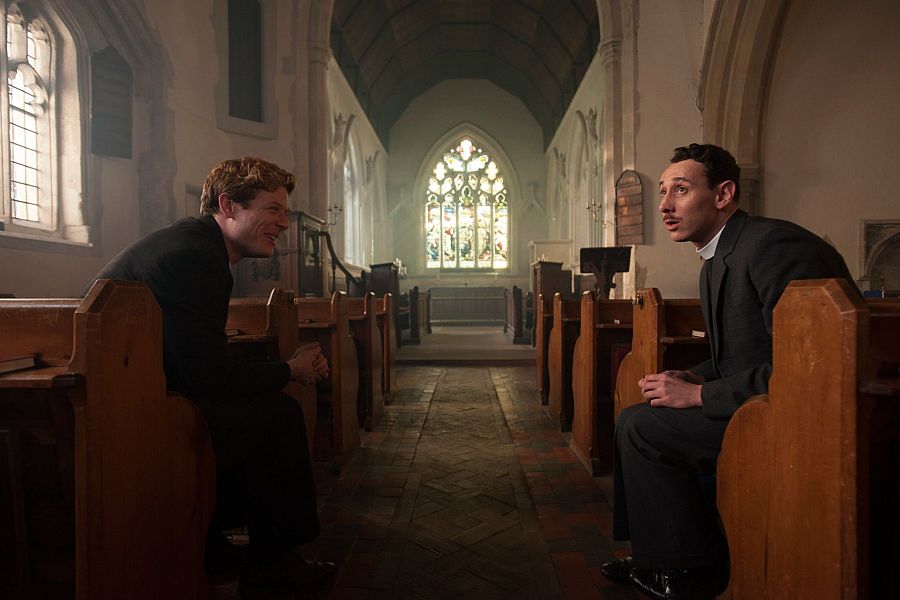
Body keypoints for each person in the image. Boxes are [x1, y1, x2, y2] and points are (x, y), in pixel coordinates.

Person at [600, 144, 854, 600]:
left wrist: (699, 397)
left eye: (680, 189)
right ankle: (660, 555)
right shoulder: (718, 256)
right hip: (756, 399)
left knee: (642, 427)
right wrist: (694, 376)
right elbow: (736, 357)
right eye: (662, 192)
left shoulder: (775, 245)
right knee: (643, 409)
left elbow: (813, 367)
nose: (664, 205)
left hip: (798, 415)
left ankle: (683, 570)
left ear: (723, 194)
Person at [86, 157, 336, 596]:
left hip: (142, 388)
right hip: (130, 409)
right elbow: (207, 374)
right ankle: (271, 563)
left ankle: (212, 540)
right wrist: (289, 371)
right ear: (228, 206)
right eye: (273, 210)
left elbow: (198, 359)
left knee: (260, 413)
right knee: (278, 417)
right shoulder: (194, 257)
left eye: (284, 211)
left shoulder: (196, 246)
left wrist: (283, 369)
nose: (285, 223)